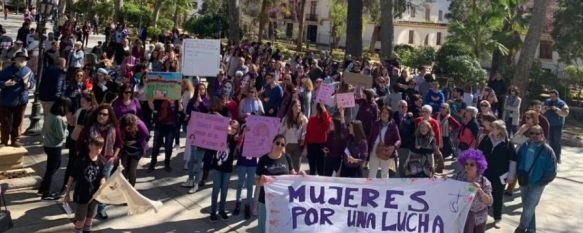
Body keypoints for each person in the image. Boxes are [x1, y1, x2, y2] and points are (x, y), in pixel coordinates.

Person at [76, 104, 122, 220]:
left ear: (109, 116)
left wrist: (114, 157)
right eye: (99, 114)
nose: (101, 116)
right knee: (89, 183)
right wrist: (82, 157)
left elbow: (119, 144)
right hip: (91, 160)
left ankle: (101, 208)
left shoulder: (114, 128)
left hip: (107, 161)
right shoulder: (90, 127)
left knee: (103, 185)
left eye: (104, 114)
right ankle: (86, 206)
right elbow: (80, 142)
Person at [514, 125, 557, 233]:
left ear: (542, 135)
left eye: (537, 133)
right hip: (524, 181)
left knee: (528, 209)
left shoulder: (548, 151)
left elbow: (552, 170)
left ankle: (522, 227)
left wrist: (542, 182)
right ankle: (532, 229)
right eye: (532, 133)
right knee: (528, 207)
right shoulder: (525, 145)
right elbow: (518, 159)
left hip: (537, 184)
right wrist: (518, 174)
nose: (534, 136)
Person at [256, 135, 299, 233]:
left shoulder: (287, 157)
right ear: (272, 142)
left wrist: (300, 175)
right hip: (265, 200)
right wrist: (261, 182)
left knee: (279, 226)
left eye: (282, 144)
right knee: (264, 227)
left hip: (282, 200)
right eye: (277, 143)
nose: (279, 146)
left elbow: (293, 174)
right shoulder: (263, 159)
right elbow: (257, 181)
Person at [63, 136, 107, 233]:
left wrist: (102, 185)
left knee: (90, 217)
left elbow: (102, 176)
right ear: (90, 146)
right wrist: (67, 193)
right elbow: (72, 177)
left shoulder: (102, 161)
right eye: (97, 147)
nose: (99, 150)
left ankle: (87, 231)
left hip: (95, 195)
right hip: (82, 194)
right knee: (80, 219)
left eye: (101, 147)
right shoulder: (81, 160)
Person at [478, 120, 517, 227]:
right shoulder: (486, 138)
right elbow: (479, 153)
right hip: (485, 173)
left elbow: (513, 160)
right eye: (491, 126)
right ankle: (482, 218)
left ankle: (497, 217)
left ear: (500, 130)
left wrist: (510, 176)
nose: (491, 128)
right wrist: (477, 169)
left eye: (493, 127)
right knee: (483, 196)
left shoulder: (508, 143)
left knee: (497, 197)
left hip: (500, 176)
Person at [453, 149, 493, 233]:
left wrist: (480, 190)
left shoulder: (483, 181)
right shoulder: (459, 177)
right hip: (463, 217)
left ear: (478, 166)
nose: (468, 166)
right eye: (466, 164)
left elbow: (489, 202)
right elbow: (450, 190)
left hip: (479, 219)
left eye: (472, 164)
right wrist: (445, 181)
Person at [38, 97, 70, 200]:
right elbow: (61, 135)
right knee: (51, 169)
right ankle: (46, 192)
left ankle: (43, 187)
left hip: (48, 145)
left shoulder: (50, 115)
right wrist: (67, 131)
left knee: (53, 167)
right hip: (54, 146)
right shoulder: (58, 119)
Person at [0, 52, 33, 147]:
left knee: (18, 122)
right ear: (15, 60)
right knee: (5, 122)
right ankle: (4, 140)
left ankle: (15, 140)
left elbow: (33, 83)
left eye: (24, 59)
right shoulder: (6, 70)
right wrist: (5, 84)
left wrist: (29, 85)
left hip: (21, 100)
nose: (23, 60)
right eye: (21, 58)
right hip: (7, 100)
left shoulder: (28, 71)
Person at [209, 120, 240, 222]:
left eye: (236, 128)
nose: (233, 129)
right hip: (217, 167)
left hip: (227, 169)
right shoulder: (220, 135)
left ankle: (222, 210)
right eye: (231, 126)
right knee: (216, 189)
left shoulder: (235, 139)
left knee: (224, 190)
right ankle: (213, 212)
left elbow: (242, 141)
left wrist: (242, 133)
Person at [148, 99, 181, 172]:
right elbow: (152, 107)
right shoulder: (158, 98)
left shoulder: (175, 99)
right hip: (160, 125)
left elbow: (181, 109)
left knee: (168, 146)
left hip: (171, 126)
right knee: (156, 146)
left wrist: (179, 101)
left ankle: (167, 164)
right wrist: (150, 99)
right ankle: (152, 164)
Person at [368, 106, 401, 178]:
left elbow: (398, 140)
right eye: (383, 112)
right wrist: (368, 150)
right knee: (372, 172)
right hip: (375, 148)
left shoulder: (393, 125)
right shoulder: (376, 123)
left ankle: (383, 188)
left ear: (389, 115)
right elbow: (370, 137)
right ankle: (371, 187)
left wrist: (394, 147)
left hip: (386, 150)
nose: (384, 114)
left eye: (386, 113)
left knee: (385, 173)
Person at [119, 114, 149, 186]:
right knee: (124, 166)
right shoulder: (121, 123)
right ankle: (123, 185)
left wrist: (135, 141)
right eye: (125, 127)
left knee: (132, 168)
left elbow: (146, 134)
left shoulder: (140, 124)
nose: (127, 128)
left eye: (129, 127)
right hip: (126, 146)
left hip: (137, 147)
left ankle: (132, 187)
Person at [303, 103, 332, 176]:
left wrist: (324, 109)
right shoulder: (312, 119)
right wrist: (305, 147)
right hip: (311, 145)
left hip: (321, 145)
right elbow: (308, 134)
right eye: (319, 109)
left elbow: (328, 123)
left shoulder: (327, 119)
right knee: (312, 168)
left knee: (321, 169)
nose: (319, 111)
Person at [279, 99, 307, 172]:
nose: (298, 107)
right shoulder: (286, 118)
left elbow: (305, 131)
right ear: (291, 107)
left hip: (297, 146)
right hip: (287, 145)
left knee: (296, 167)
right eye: (295, 106)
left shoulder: (303, 118)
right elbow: (281, 132)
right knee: (286, 166)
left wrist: (303, 141)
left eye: (299, 106)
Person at [543, 89, 569, 164]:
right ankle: (551, 157)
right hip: (548, 124)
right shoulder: (547, 101)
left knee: (557, 141)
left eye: (553, 96)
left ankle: (557, 157)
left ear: (557, 96)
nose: (552, 98)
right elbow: (542, 110)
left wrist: (557, 110)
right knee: (550, 141)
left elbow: (565, 113)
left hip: (558, 125)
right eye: (550, 96)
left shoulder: (562, 103)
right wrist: (546, 108)